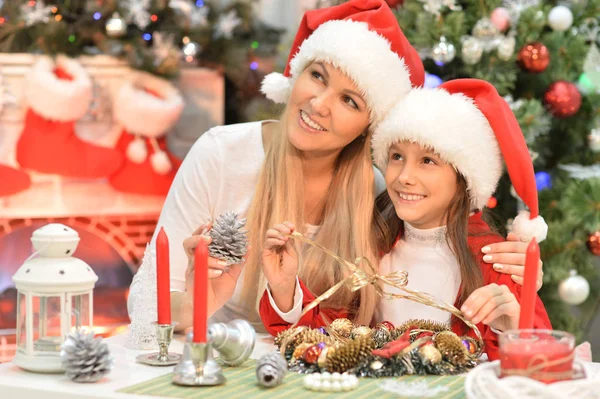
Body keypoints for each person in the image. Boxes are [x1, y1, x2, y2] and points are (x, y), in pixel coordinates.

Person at [128, 0, 541, 335]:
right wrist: (203, 302)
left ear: (369, 127)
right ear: (296, 72)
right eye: (318, 76)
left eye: (350, 101)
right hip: (213, 359)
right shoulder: (221, 154)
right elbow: (146, 306)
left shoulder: (383, 191)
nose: (319, 104)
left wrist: (523, 282)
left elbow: (437, 252)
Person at [369, 78, 551, 359]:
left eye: (428, 161)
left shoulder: (495, 261)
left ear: (464, 179)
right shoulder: (372, 243)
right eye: (396, 156)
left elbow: (542, 365)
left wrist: (511, 328)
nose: (404, 177)